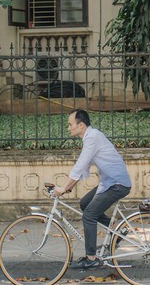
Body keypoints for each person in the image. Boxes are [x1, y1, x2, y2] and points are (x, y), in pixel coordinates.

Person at [53, 109, 132, 271]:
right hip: (110, 182)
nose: (68, 128)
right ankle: (117, 232)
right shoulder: (90, 137)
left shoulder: (92, 137)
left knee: (89, 215)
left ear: (81, 125)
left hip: (117, 184)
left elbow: (80, 164)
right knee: (85, 203)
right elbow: (85, 166)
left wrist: (63, 188)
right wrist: (68, 187)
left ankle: (91, 259)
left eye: (70, 124)